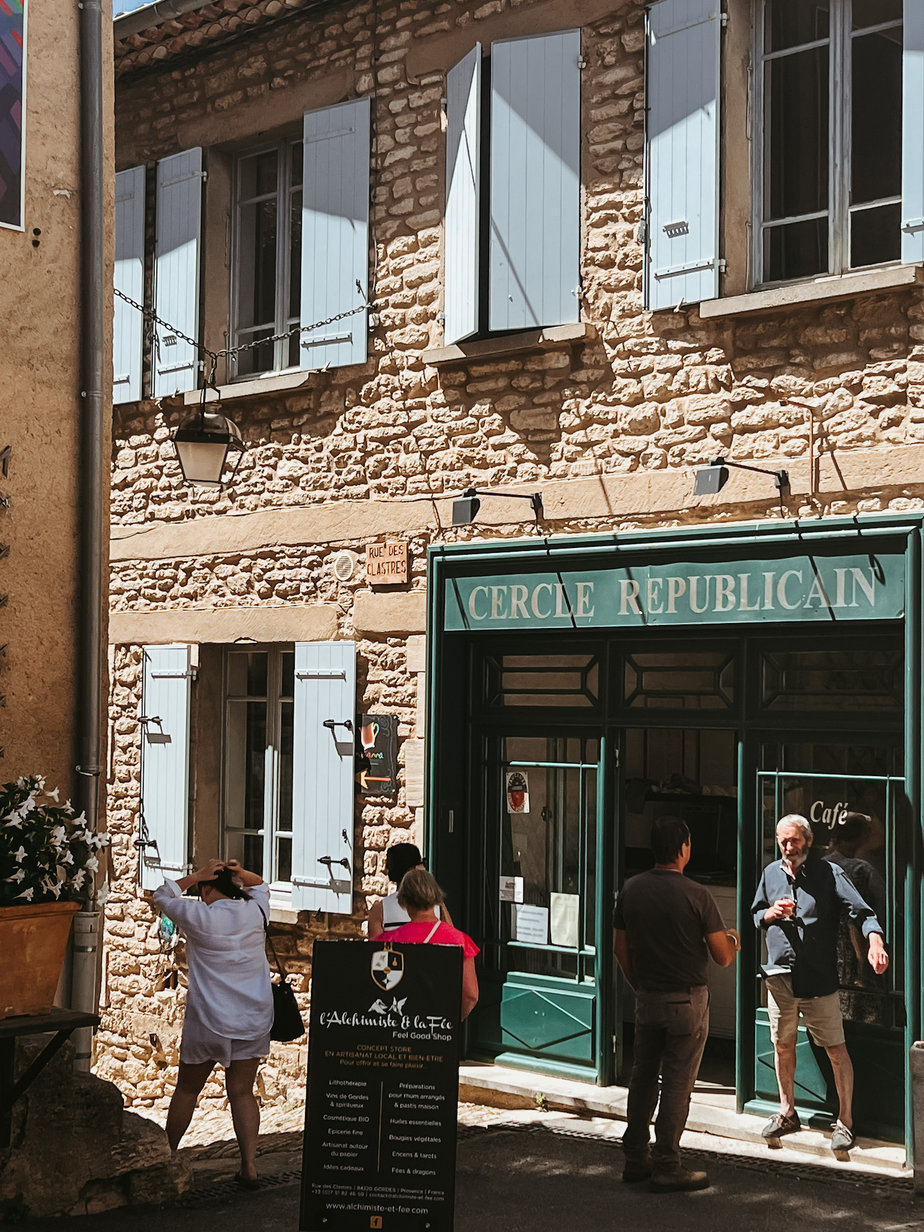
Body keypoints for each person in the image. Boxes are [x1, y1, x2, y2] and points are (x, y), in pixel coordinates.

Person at [613, 816, 739, 1193]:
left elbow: (621, 950)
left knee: (643, 1077)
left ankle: (635, 1157)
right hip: (686, 999)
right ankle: (668, 1162)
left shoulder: (631, 889)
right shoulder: (696, 894)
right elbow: (722, 957)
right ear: (684, 848)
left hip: (648, 997)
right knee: (677, 1083)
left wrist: (642, 987)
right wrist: (733, 939)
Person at [751, 814, 889, 1153]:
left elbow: (863, 912)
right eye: (782, 840)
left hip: (818, 979)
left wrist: (875, 942)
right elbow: (756, 915)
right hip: (779, 977)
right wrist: (771, 913)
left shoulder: (830, 873)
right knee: (782, 1046)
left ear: (808, 841)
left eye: (794, 840)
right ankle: (787, 1112)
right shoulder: (771, 874)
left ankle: (845, 1121)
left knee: (835, 1050)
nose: (787, 846)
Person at [152, 858, 273, 1189]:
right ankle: (249, 1166)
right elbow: (261, 885)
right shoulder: (256, 911)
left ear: (206, 889)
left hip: (210, 1019)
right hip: (253, 1017)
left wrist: (194, 876)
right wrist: (239, 873)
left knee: (188, 1090)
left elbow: (162, 896)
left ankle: (166, 1156)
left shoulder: (199, 916)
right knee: (242, 1092)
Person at [370, 868, 478, 1018]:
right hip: (438, 1027)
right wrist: (451, 1023)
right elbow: (470, 995)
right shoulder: (460, 941)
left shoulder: (387, 942)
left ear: (404, 902)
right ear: (435, 899)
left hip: (400, 1026)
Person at [367, 842, 453, 938]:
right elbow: (451, 941)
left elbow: (376, 949)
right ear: (417, 868)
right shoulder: (436, 906)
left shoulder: (380, 910)